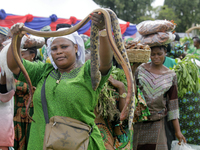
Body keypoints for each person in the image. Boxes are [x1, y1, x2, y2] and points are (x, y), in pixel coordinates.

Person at [7, 12, 113, 150]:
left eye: (64, 46)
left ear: (75, 48)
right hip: (41, 144)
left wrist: (102, 30)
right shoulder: (44, 71)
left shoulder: (87, 72)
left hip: (79, 145)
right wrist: (16, 37)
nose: (58, 51)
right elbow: (13, 65)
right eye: (54, 48)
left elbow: (105, 63)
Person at [132, 45, 186, 150]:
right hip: (139, 122)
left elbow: (173, 105)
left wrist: (178, 131)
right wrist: (133, 70)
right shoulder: (141, 69)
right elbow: (132, 92)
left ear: (165, 52)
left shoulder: (171, 75)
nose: (156, 57)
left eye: (159, 54)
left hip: (157, 122)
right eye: (153, 54)